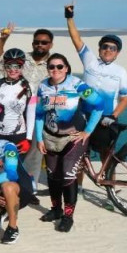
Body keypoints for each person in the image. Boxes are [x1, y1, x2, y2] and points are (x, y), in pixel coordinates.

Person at [35, 54, 103, 232]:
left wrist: (88, 131)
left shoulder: (76, 84)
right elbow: (39, 114)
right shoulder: (42, 86)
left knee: (67, 175)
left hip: (73, 138)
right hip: (50, 138)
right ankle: (56, 210)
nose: (55, 70)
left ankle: (68, 216)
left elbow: (99, 105)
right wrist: (39, 138)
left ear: (66, 68)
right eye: (51, 67)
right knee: (52, 176)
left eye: (59, 66)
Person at [0, 25, 54, 196]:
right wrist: (4, 37)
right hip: (12, 111)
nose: (40, 45)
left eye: (44, 42)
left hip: (37, 113)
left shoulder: (53, 64)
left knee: (33, 151)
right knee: (5, 151)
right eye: (37, 42)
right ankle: (4, 186)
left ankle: (29, 188)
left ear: (51, 44)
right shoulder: (21, 58)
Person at [64, 3, 127, 156]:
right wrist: (69, 18)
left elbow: (125, 99)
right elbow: (76, 39)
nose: (108, 50)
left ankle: (108, 179)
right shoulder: (90, 61)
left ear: (117, 53)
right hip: (84, 115)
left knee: (107, 155)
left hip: (106, 118)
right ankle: (79, 181)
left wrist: (113, 116)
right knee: (80, 154)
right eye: (105, 46)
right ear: (100, 49)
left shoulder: (121, 71)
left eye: (113, 48)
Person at [0, 48, 36, 152]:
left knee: (12, 167)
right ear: (4, 66)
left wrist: (29, 139)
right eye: (9, 66)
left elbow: (31, 114)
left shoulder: (29, 87)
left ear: (22, 67)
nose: (13, 70)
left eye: (17, 66)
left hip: (19, 135)